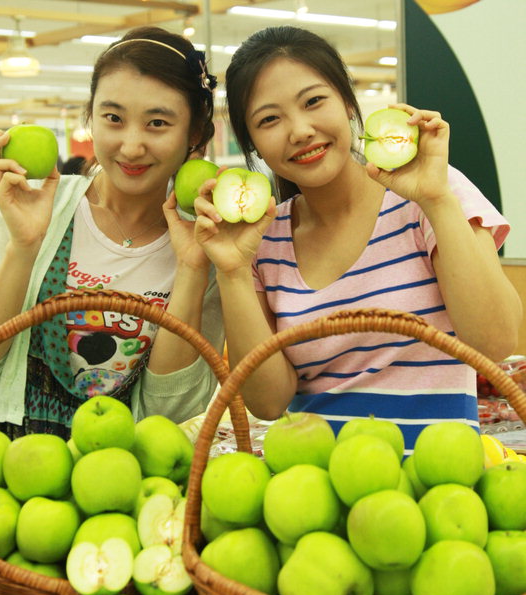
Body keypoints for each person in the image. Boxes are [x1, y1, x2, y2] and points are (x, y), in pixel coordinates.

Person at [192, 25, 521, 453]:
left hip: (440, 488)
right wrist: (233, 271)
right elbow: (268, 403)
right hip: (312, 493)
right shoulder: (261, 238)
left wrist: (436, 199)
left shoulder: (431, 193)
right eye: (269, 119)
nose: (300, 130)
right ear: (251, 141)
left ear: (348, 102)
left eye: (313, 101)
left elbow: (495, 343)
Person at [0, 25, 222, 439]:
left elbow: (171, 408)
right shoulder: (34, 203)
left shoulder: (203, 236)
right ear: (91, 117)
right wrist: (24, 247)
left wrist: (193, 269)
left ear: (194, 133)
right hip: (10, 465)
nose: (130, 146)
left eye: (157, 123)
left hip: (127, 476)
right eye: (113, 118)